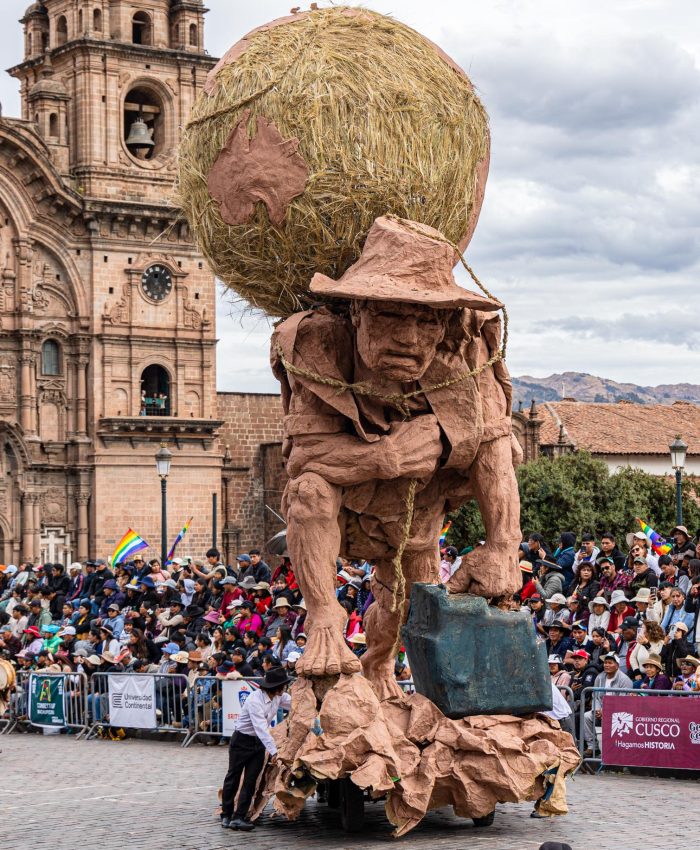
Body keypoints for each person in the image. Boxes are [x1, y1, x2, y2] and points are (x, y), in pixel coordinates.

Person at [220, 666, 292, 831]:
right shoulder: (254, 701)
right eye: (284, 685)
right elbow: (261, 729)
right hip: (242, 741)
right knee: (233, 776)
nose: (286, 688)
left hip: (258, 744)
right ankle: (226, 814)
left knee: (251, 780)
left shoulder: (279, 697)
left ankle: (239, 817)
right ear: (277, 687)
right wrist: (274, 751)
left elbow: (295, 703)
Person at [583, 653, 632, 756]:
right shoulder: (600, 677)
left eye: (610, 663)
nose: (606, 665)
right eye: (605, 662)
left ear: (617, 665)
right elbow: (595, 696)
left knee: (610, 719)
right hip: (600, 710)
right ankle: (593, 747)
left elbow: (623, 702)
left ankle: (611, 751)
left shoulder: (625, 680)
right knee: (586, 716)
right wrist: (596, 710)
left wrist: (606, 712)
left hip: (618, 713)